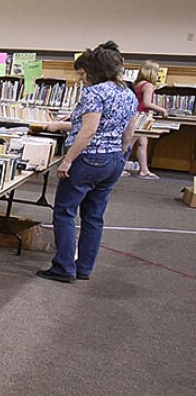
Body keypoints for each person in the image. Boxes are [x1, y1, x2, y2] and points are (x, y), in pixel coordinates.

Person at [37, 43, 140, 283]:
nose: (82, 80)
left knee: (64, 211)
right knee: (94, 216)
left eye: (83, 75)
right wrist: (120, 154)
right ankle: (83, 267)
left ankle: (63, 267)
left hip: (88, 158)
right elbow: (130, 131)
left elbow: (88, 131)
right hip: (114, 158)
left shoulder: (95, 93)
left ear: (94, 70)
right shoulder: (128, 92)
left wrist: (67, 161)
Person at [128, 62, 170, 179]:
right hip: (141, 116)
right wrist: (162, 109)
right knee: (129, 143)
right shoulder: (148, 85)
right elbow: (147, 103)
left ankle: (144, 170)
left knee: (142, 143)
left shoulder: (138, 84)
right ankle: (118, 168)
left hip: (136, 115)